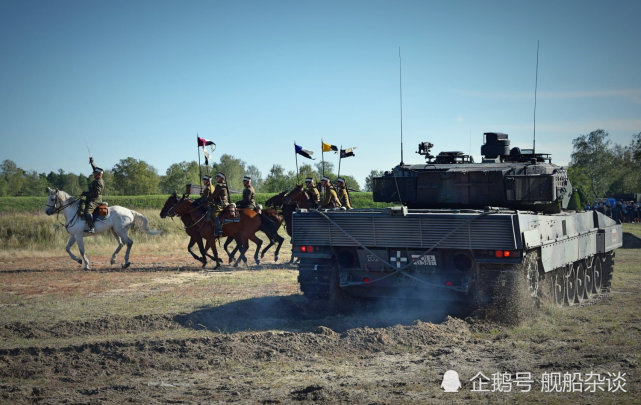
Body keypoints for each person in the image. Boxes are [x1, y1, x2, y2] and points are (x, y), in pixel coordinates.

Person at [81, 157, 105, 233]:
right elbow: (95, 168)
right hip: (92, 198)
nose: (93, 174)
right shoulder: (97, 179)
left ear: (98, 175)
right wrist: (92, 162)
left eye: (95, 173)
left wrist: (86, 193)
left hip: (96, 200)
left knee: (87, 212)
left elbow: (96, 193)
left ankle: (92, 228)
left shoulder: (99, 182)